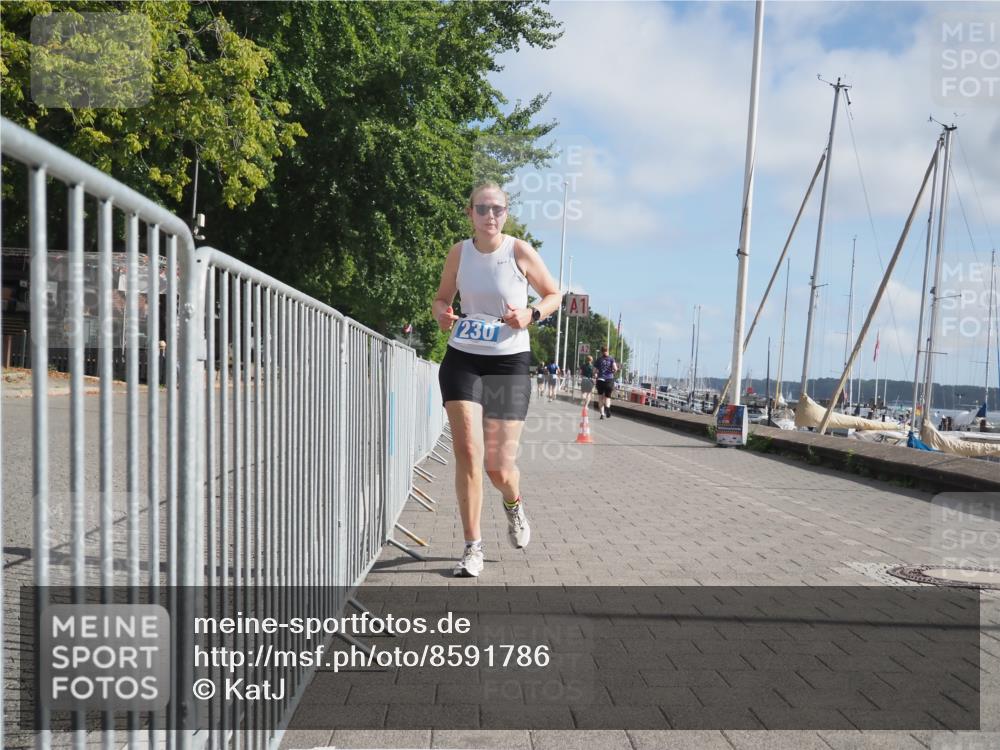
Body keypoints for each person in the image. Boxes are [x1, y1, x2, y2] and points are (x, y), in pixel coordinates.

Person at [432, 181, 560, 577]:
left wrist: (532, 314)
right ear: (470, 212)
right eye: (483, 208)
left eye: (498, 209)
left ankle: (513, 504)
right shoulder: (459, 252)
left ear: (506, 214)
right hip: (463, 359)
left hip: (509, 362)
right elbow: (441, 298)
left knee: (499, 468)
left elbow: (553, 294)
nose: (490, 215)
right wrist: (441, 314)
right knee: (468, 454)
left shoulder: (519, 251)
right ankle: (473, 547)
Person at [594, 345, 618, 419]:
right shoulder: (611, 359)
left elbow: (594, 371)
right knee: (607, 397)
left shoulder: (598, 360)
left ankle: (602, 414)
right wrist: (613, 372)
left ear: (601, 351)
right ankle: (607, 408)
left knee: (600, 398)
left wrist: (596, 375)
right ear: (608, 351)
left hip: (600, 379)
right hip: (609, 379)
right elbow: (615, 369)